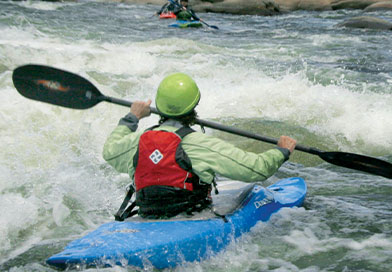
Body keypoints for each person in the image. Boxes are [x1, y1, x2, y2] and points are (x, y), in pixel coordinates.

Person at [102, 73, 297, 219]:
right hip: (190, 218)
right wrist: (281, 151)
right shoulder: (201, 144)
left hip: (147, 218)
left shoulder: (139, 141)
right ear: (194, 107)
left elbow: (110, 152)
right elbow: (256, 169)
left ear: (160, 108)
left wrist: (133, 116)